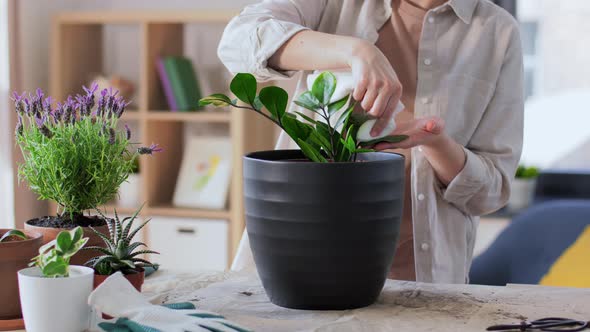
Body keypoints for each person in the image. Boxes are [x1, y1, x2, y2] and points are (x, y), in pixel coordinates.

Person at [218, 0, 524, 283]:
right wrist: (356, 51)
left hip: (423, 280)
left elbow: (491, 192)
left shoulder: (498, 32)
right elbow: (237, 42)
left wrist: (434, 142)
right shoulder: (333, 5)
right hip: (300, 263)